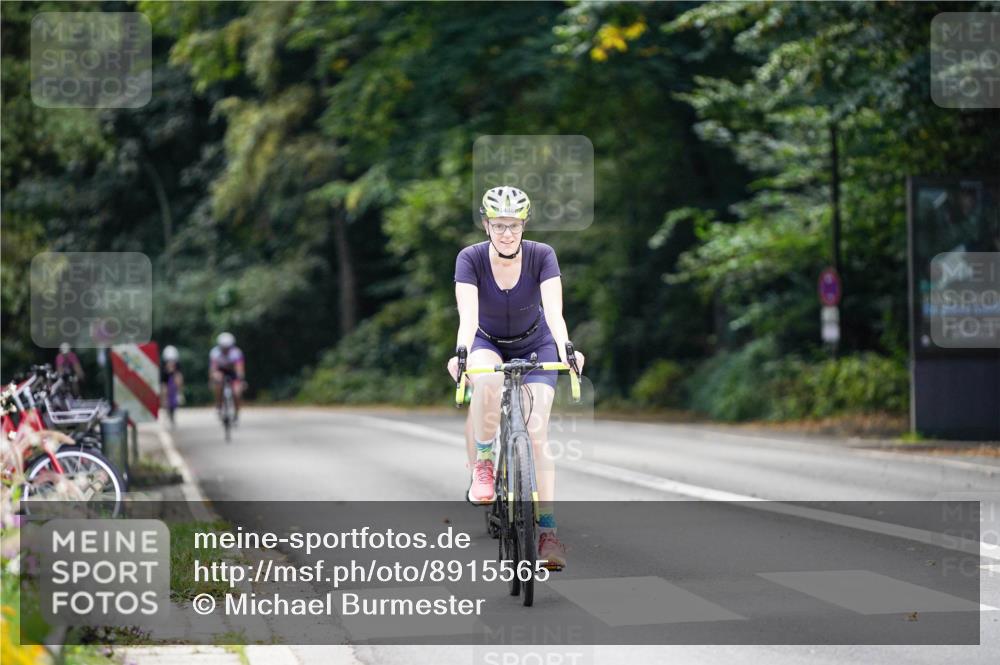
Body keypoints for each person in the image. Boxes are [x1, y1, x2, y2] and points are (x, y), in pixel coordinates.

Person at [447, 185, 585, 570]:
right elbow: (468, 318)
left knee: (537, 434)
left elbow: (555, 313)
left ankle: (547, 531)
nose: (507, 233)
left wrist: (567, 348)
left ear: (525, 224)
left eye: (514, 225)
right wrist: (461, 354)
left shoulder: (542, 256)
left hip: (535, 344)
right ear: (486, 224)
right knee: (487, 382)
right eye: (499, 225)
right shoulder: (470, 258)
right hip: (486, 340)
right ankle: (486, 464)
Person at [209, 332, 245, 421]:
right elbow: (213, 368)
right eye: (223, 347)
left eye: (227, 347)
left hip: (233, 372)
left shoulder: (236, 353)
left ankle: (236, 411)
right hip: (220, 372)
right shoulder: (215, 352)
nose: (225, 350)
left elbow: (239, 368)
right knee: (218, 381)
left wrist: (240, 379)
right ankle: (219, 405)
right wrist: (213, 377)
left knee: (237, 392)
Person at [160, 345, 185, 426]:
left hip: (174, 380)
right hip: (165, 381)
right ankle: (164, 403)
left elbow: (179, 376)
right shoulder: (162, 366)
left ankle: (179, 394)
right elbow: (162, 380)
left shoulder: (178, 365)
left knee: (179, 377)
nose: (171, 362)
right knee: (164, 390)